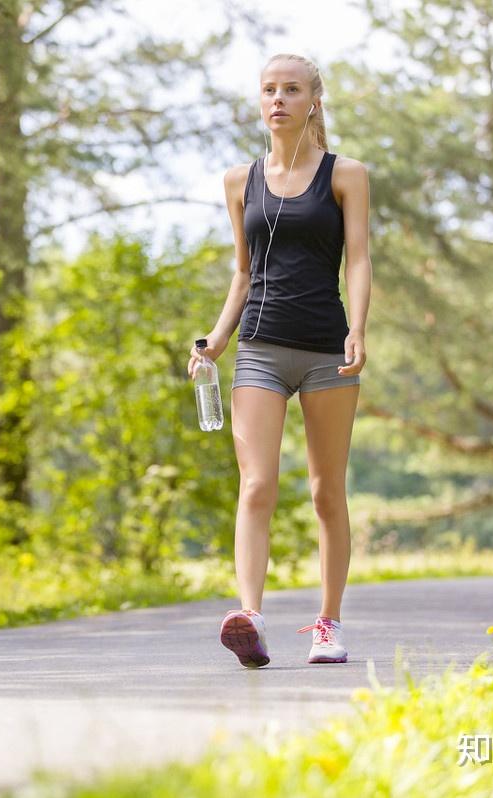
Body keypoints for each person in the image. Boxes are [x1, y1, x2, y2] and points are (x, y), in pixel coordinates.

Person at [187, 53, 371, 668]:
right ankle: (252, 618)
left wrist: (360, 330)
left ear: (312, 101)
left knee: (326, 493)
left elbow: (360, 260)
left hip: (327, 349)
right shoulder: (240, 181)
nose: (279, 100)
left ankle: (328, 624)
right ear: (259, 100)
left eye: (291, 90)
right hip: (260, 349)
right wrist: (214, 341)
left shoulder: (347, 175)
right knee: (257, 484)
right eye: (269, 90)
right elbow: (242, 273)